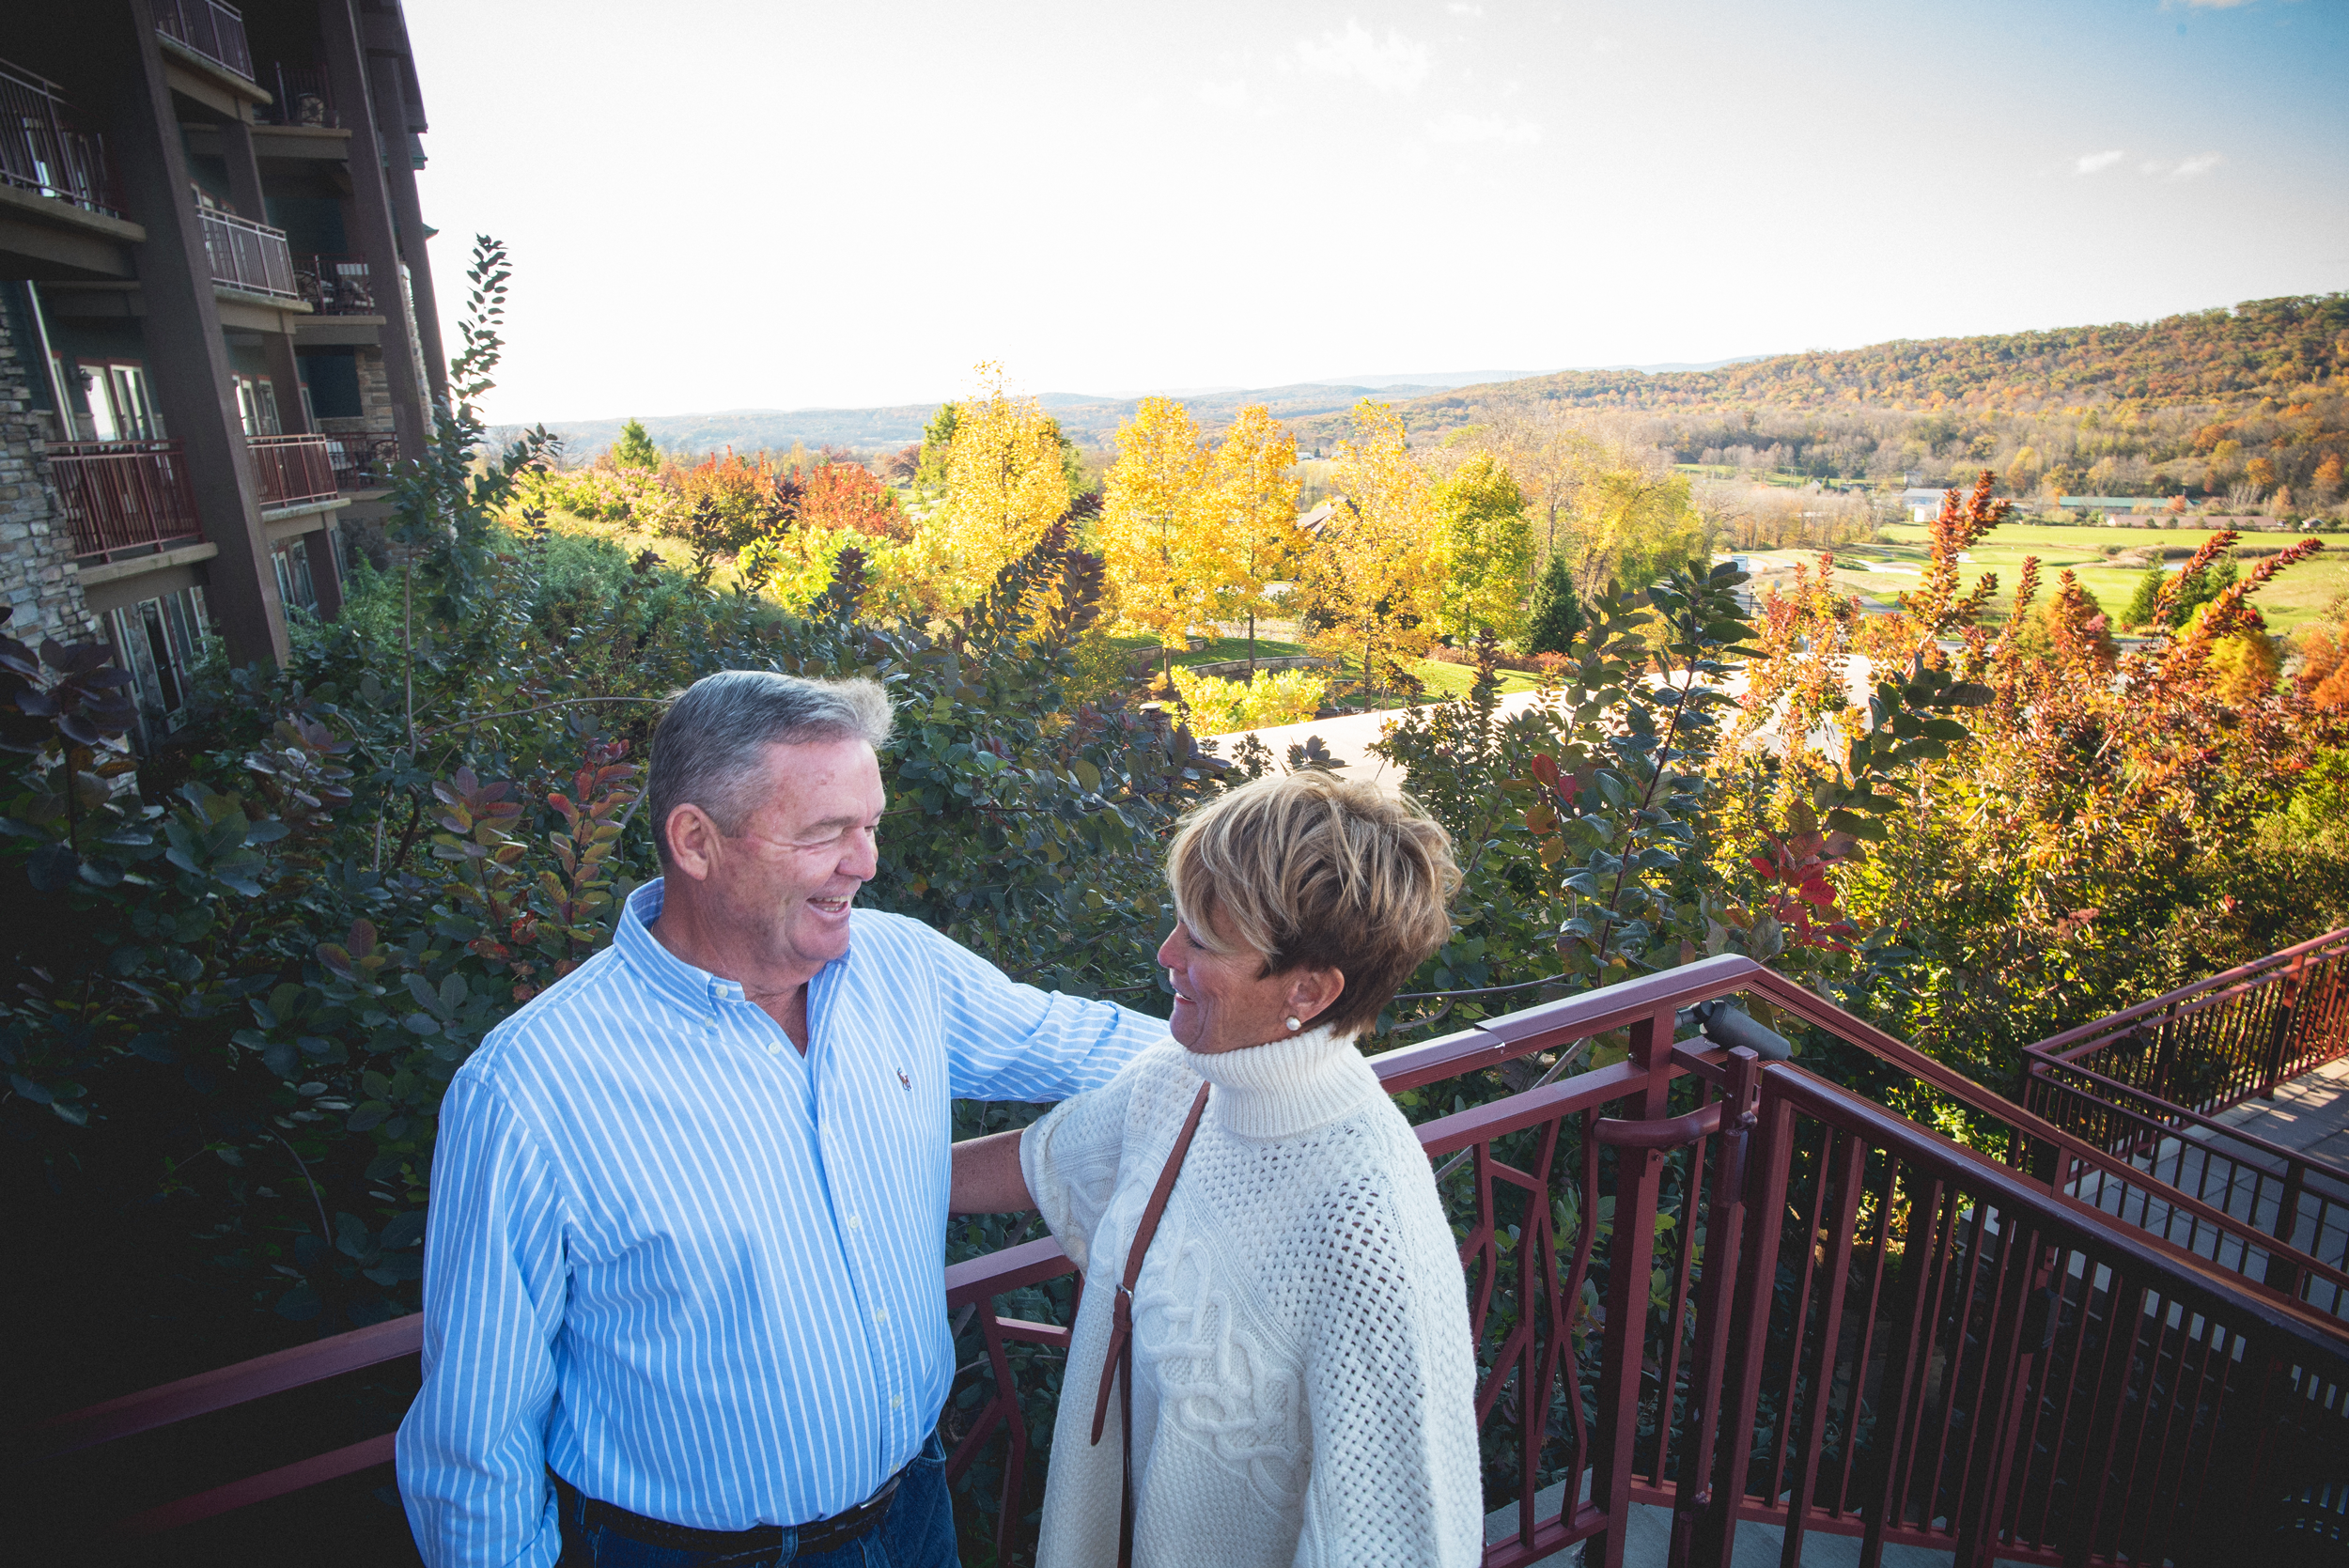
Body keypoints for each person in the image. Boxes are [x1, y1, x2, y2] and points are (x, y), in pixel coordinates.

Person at [397, 671, 1167, 1568]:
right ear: (696, 840)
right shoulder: (531, 1090)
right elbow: (473, 1438)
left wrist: (1287, 1062)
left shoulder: (900, 966)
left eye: (870, 823)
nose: (866, 860)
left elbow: (1098, 1045)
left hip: (916, 1507)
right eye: (825, 832)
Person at [951, 770, 1485, 1567]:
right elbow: (1043, 1164)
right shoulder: (1186, 1078)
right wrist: (839, 1175)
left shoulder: (1369, 1223)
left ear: (1307, 987)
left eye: (1201, 941)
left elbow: (1406, 1538)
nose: (1167, 953)